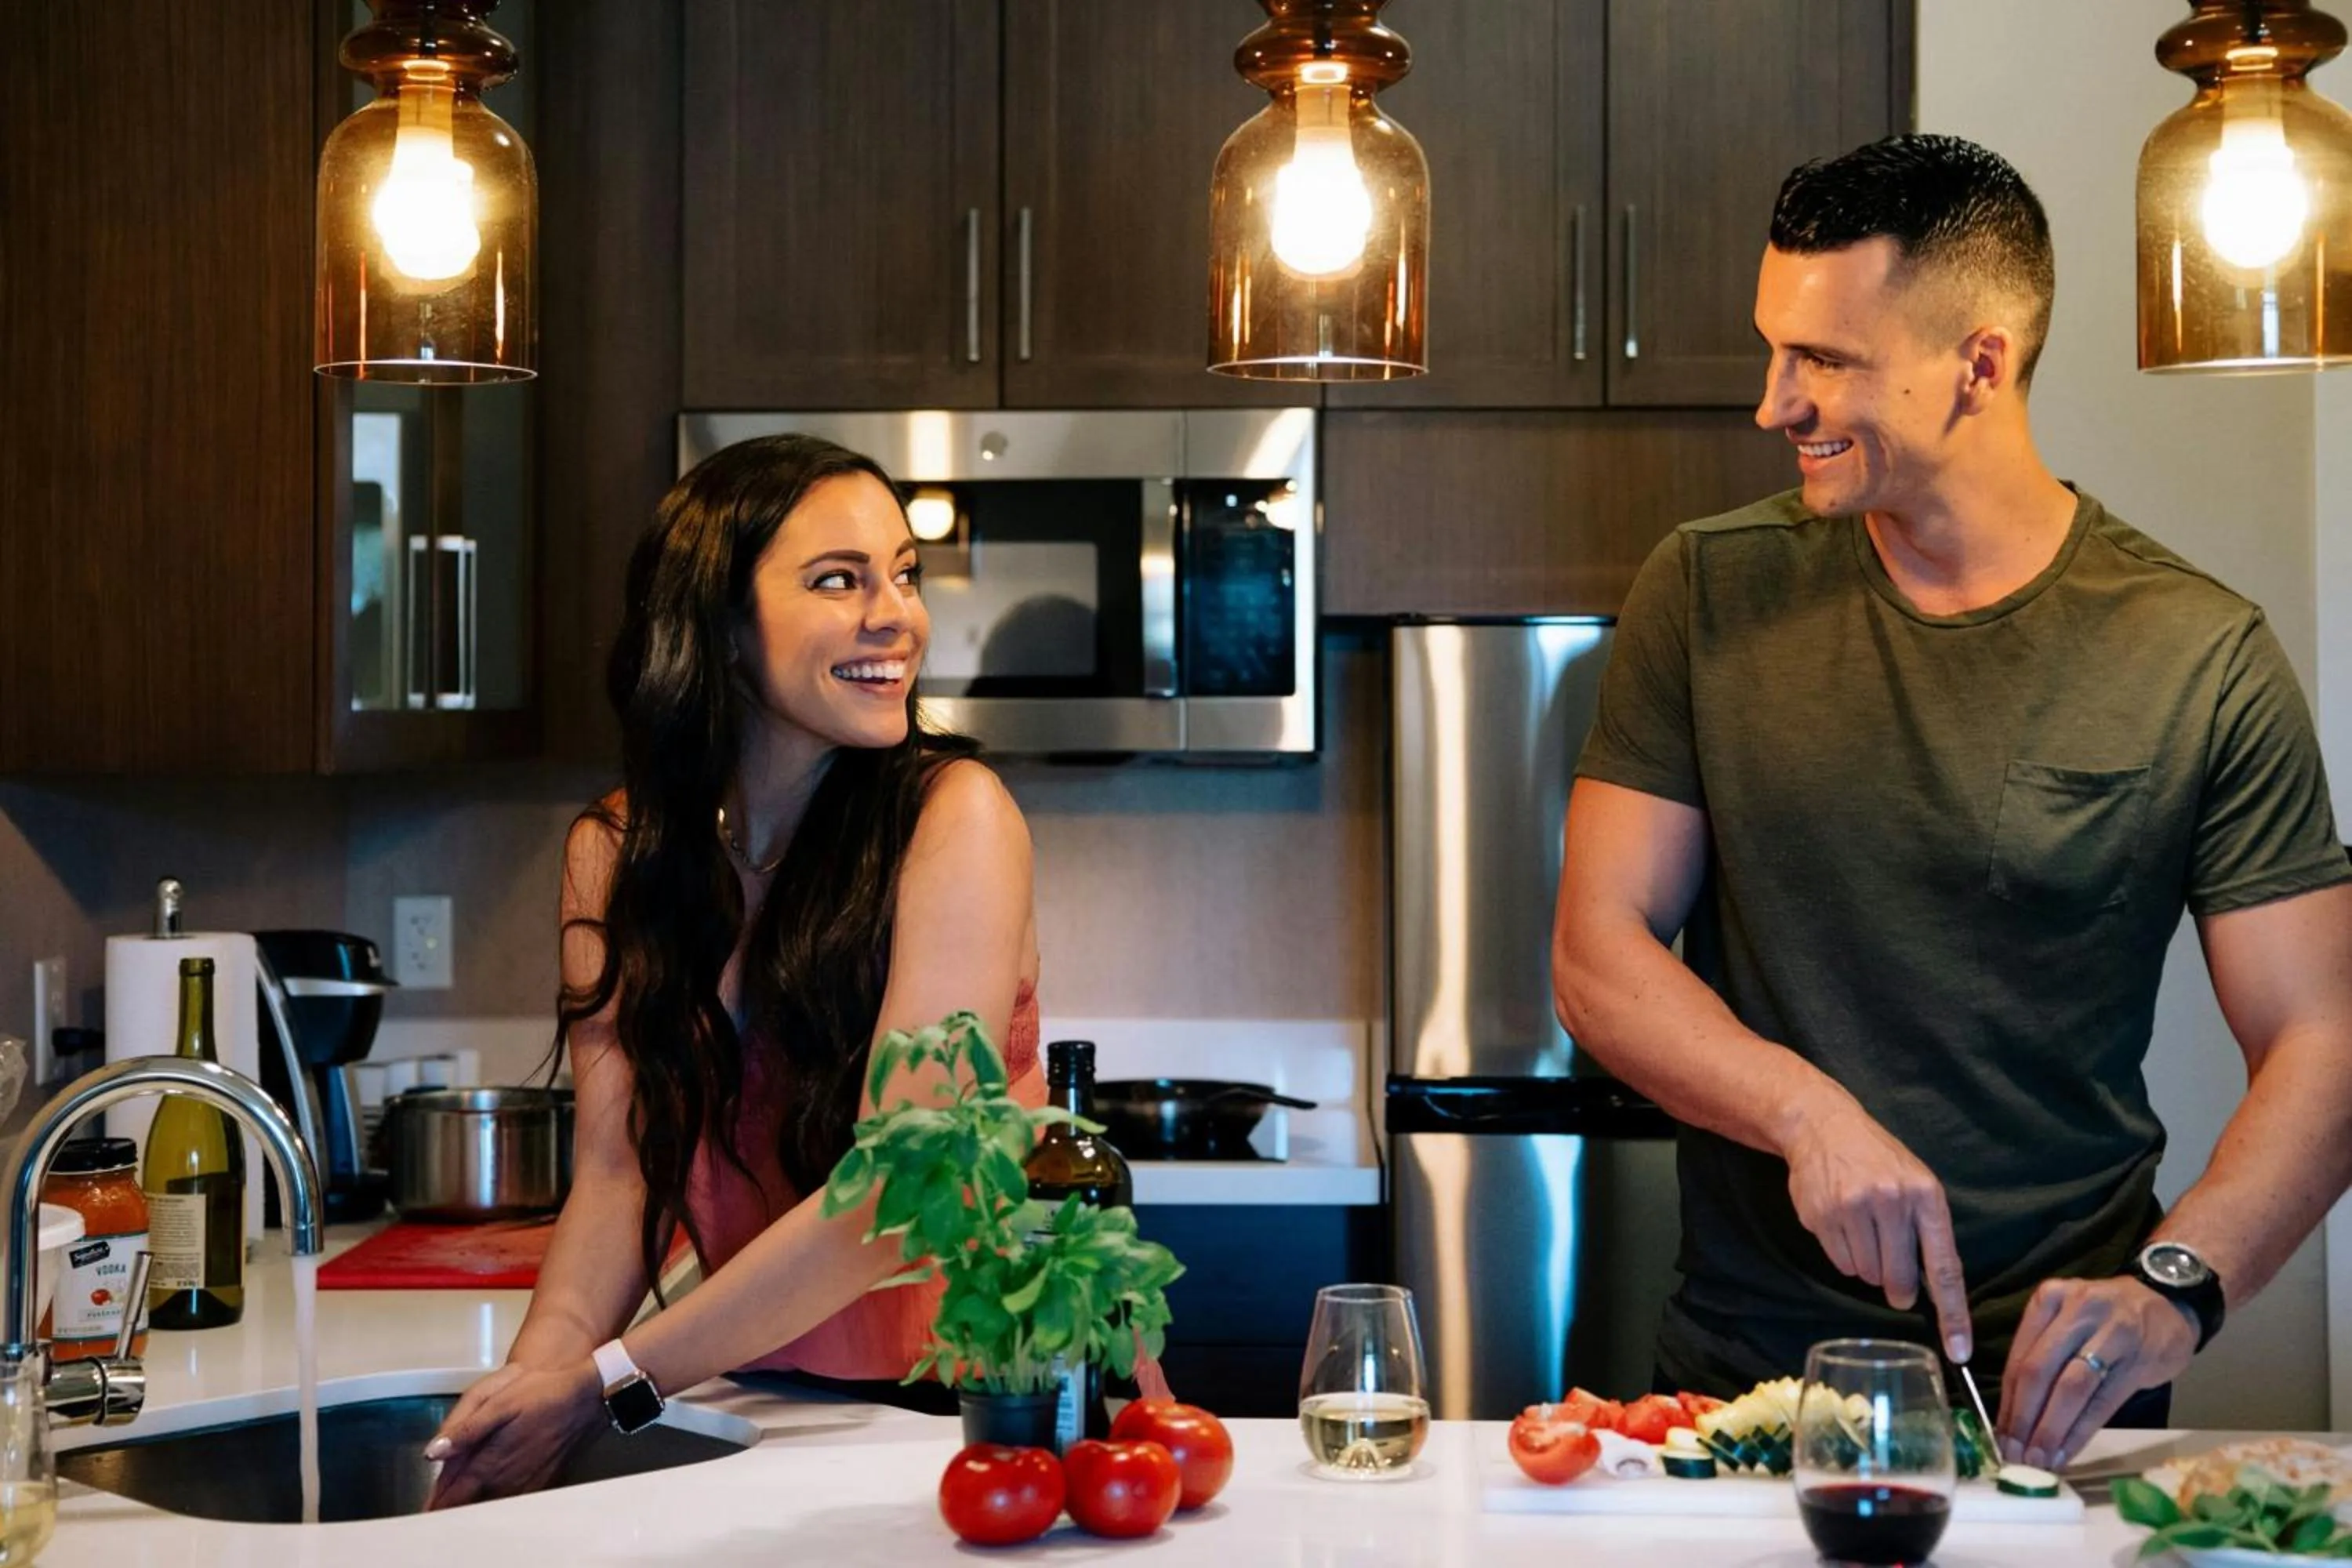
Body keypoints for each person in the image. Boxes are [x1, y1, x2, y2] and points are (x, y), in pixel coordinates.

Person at [1551, 134, 2352, 1474]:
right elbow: (1599, 951)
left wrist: (2177, 1288)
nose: (1774, 404)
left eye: (1825, 361)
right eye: (1774, 349)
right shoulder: (1705, 592)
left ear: (1979, 362)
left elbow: (2323, 1039)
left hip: (2055, 1407)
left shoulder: (2196, 653)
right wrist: (1807, 1112)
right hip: (1742, 1377)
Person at [424, 434, 1045, 1506]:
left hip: (979, 1414)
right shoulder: (617, 853)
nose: (895, 613)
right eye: (839, 580)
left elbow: (898, 1191)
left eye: (903, 573)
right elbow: (619, 1178)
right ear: (718, 622)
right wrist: (527, 1403)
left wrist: (608, 1385)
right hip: (757, 1398)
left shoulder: (956, 820)